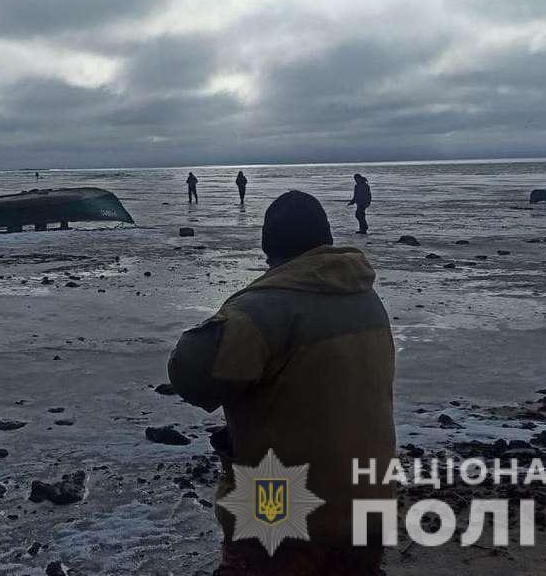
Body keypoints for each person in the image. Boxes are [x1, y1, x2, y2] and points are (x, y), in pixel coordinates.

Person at [167, 191, 396, 575]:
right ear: (325, 240)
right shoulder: (365, 297)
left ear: (268, 249)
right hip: (368, 507)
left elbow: (189, 374)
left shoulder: (263, 310)